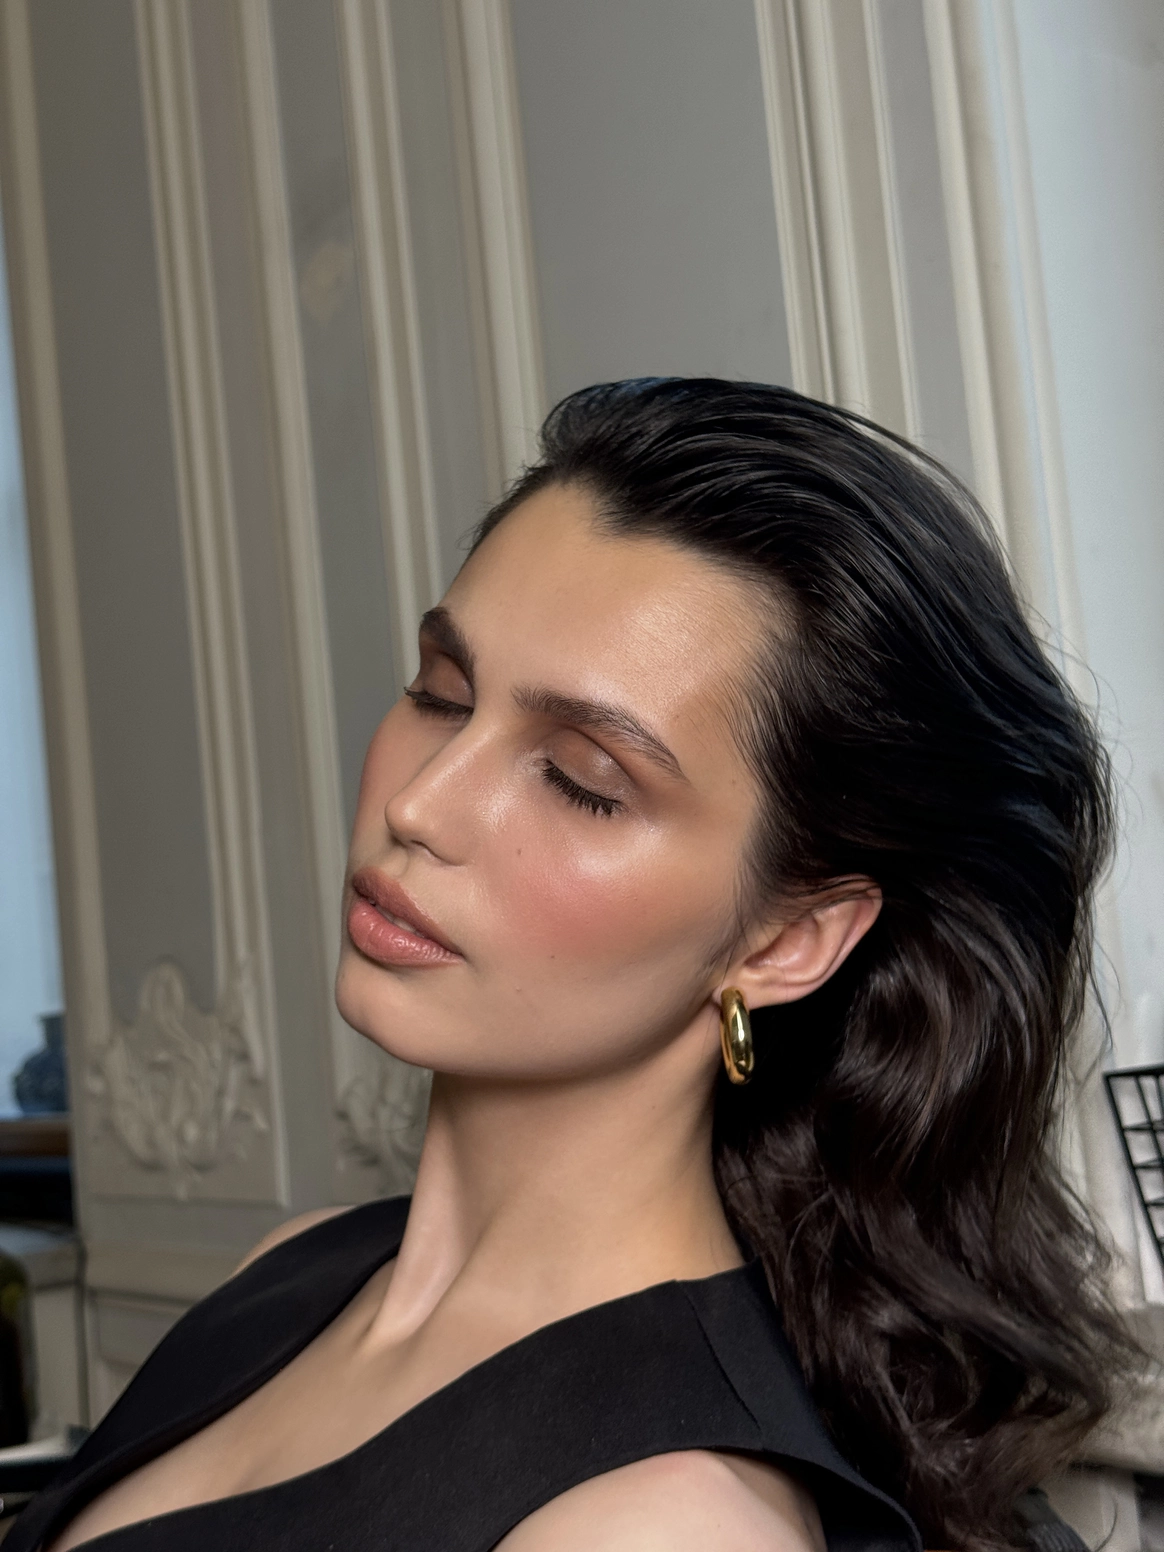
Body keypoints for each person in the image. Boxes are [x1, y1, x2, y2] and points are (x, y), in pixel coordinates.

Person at [13, 379, 1136, 1552]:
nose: (418, 803)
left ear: (784, 940)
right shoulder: (292, 1272)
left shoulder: (666, 1521)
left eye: (582, 780)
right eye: (441, 694)